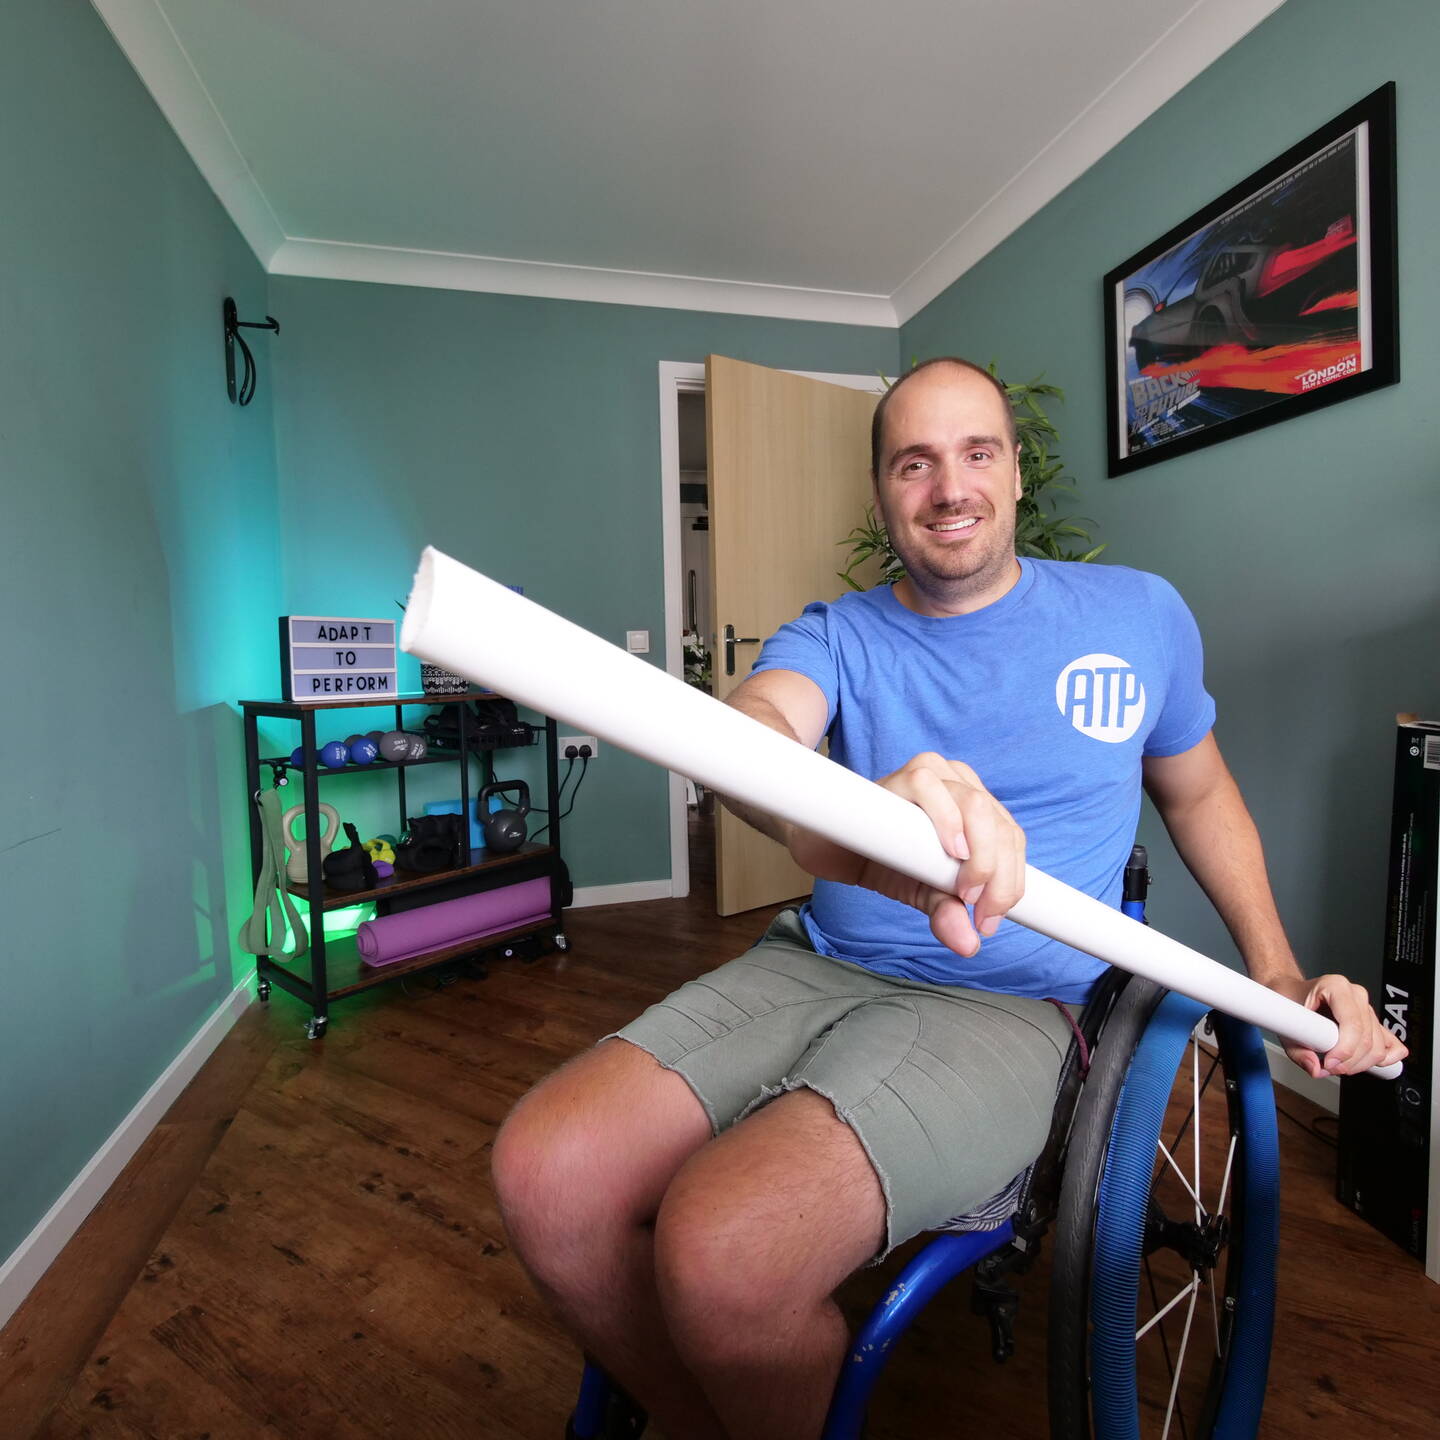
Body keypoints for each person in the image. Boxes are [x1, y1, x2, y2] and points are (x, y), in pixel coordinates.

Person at [491, 357, 1405, 1440]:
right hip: (816, 959)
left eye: (978, 452)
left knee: (722, 1248)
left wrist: (1278, 970)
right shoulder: (837, 635)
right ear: (883, 493)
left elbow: (1200, 791)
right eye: (914, 462)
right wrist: (858, 815)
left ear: (1017, 474)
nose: (950, 486)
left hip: (1018, 1006)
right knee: (543, 1173)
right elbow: (750, 738)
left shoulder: (1139, 616)